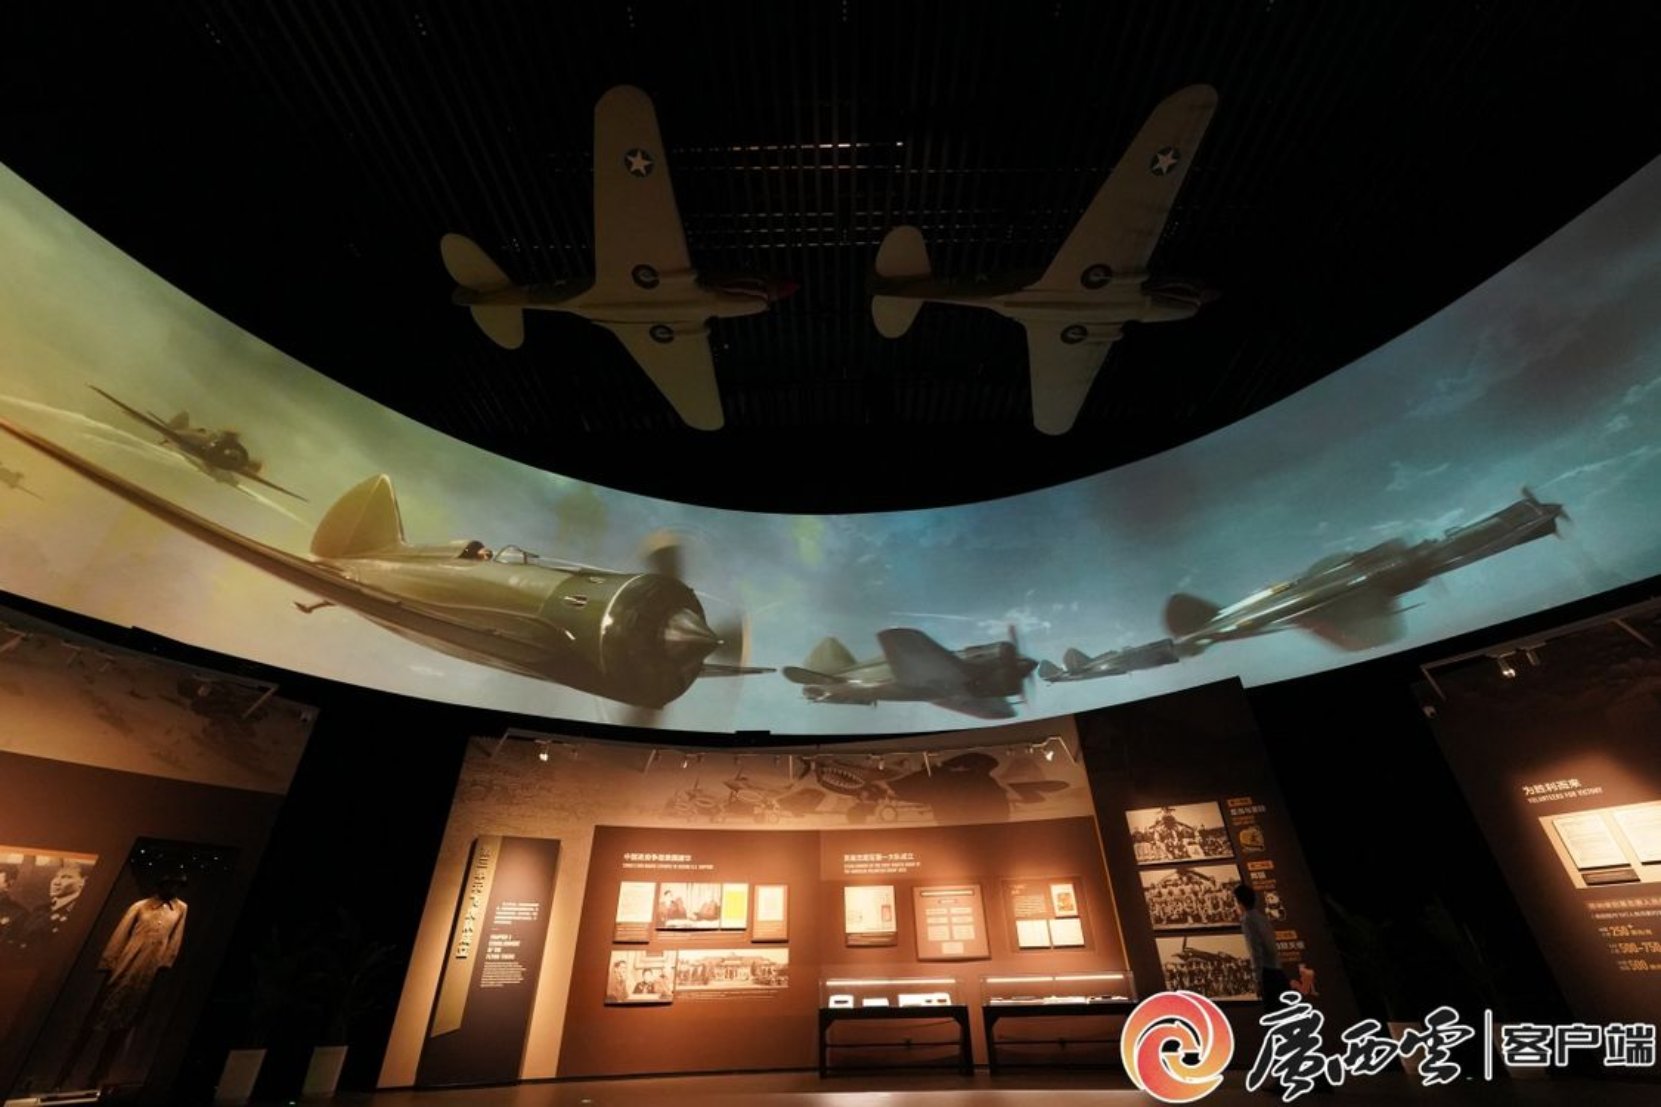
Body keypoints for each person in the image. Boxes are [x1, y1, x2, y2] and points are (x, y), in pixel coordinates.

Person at [1233, 883, 1291, 1004]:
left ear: (1239, 902)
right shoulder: (1262, 918)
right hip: (1277, 972)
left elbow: (1255, 951)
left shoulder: (1247, 920)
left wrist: (1258, 979)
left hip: (1267, 976)